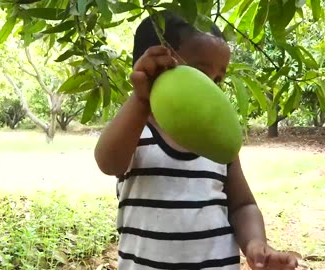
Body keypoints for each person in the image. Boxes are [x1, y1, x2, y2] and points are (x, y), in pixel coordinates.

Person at [94, 10, 299, 270]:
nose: (212, 87)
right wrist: (141, 100)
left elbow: (243, 205)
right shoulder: (136, 131)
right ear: (154, 68)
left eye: (218, 80)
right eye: (201, 75)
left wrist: (256, 244)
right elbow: (108, 162)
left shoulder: (217, 144)